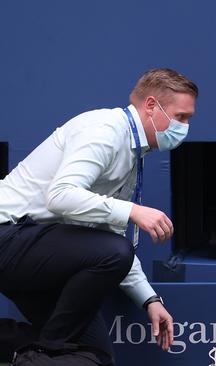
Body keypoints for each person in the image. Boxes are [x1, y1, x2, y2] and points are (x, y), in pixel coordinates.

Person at [0, 68, 199, 364]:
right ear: (151, 106)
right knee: (114, 253)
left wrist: (149, 299)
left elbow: (107, 239)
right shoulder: (105, 131)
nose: (184, 127)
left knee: (95, 357)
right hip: (8, 237)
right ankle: (47, 348)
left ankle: (33, 351)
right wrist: (133, 211)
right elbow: (60, 195)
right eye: (180, 117)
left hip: (37, 253)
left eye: (188, 119)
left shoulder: (133, 150)